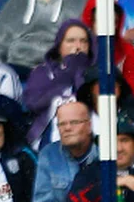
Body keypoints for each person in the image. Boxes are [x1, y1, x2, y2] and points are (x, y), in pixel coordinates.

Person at [23, 19, 95, 150]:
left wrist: (78, 69)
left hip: (88, 140)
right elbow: (33, 103)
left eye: (83, 41)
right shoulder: (42, 72)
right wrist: (67, 73)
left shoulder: (97, 74)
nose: (78, 46)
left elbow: (90, 101)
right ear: (59, 46)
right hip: (48, 139)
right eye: (71, 41)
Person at [65, 113, 134, 202]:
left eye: (124, 140)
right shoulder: (90, 173)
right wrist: (112, 184)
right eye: (112, 141)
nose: (118, 148)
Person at [33, 101, 98, 202]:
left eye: (74, 122)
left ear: (89, 126)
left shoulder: (104, 151)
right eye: (62, 124)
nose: (67, 128)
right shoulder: (48, 155)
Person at [81, 0, 134, 96]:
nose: (107, 26)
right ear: (90, 22)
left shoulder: (127, 51)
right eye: (101, 21)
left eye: (113, 22)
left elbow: (132, 90)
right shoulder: (78, 47)